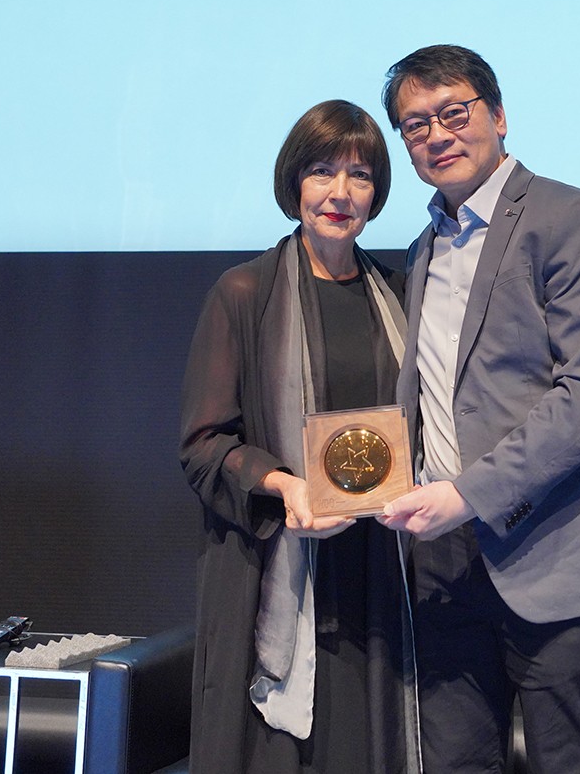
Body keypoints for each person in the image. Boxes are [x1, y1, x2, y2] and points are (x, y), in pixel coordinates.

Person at [377, 46, 580, 774]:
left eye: (453, 112)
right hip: (442, 562)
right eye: (415, 124)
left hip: (551, 547)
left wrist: (469, 493)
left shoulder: (573, 216)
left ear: (498, 116)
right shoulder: (422, 249)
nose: (436, 134)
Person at [181, 100, 421, 774]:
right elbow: (203, 444)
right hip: (277, 565)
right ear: (294, 182)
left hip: (380, 568)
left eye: (360, 175)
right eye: (322, 172)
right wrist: (285, 485)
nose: (340, 193)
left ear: (377, 192)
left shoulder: (400, 294)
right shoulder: (244, 293)